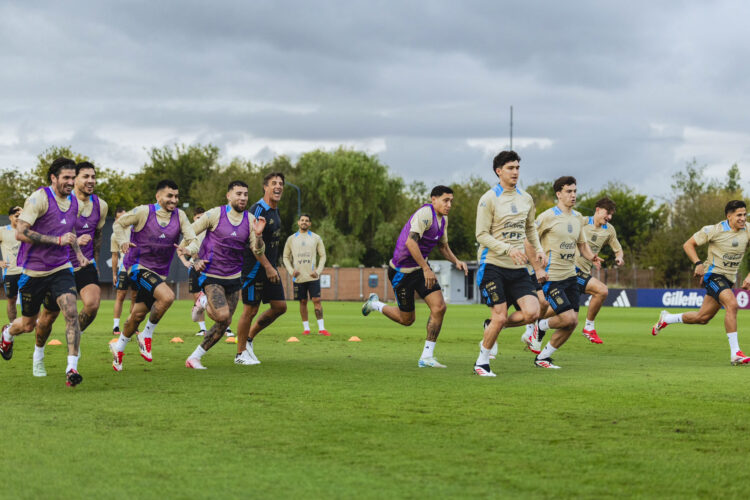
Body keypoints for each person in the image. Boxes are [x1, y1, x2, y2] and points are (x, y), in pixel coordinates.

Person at [0, 157, 89, 386]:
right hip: (33, 272)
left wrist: (78, 253)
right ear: (53, 178)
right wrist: (56, 240)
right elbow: (21, 232)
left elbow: (69, 233)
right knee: (28, 325)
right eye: (66, 178)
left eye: (73, 177)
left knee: (70, 312)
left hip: (61, 268)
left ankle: (71, 368)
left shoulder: (75, 203)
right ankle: (8, 332)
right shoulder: (39, 198)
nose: (71, 182)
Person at [362, 185, 468, 368]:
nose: (449, 204)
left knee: (439, 307)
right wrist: (426, 268)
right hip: (401, 273)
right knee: (407, 320)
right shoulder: (425, 214)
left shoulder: (443, 220)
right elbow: (411, 242)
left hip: (419, 270)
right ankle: (375, 304)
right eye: (445, 200)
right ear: (433, 199)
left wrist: (456, 261)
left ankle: (427, 357)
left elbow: (443, 246)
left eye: (451, 200)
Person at [109, 179, 198, 371]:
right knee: (168, 297)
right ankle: (146, 335)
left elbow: (193, 240)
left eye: (176, 196)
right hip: (137, 267)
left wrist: (188, 249)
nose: (173, 200)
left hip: (159, 273)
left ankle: (119, 348)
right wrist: (124, 241)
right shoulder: (143, 211)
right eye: (169, 196)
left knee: (137, 315)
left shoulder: (180, 216)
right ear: (158, 196)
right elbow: (118, 224)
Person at [471, 151, 545, 377]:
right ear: (499, 171)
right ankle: (482, 362)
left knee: (534, 312)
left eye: (517, 168)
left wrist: (539, 249)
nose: (515, 172)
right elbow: (481, 235)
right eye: (510, 168)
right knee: (501, 315)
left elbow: (530, 228)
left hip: (518, 268)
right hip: (492, 265)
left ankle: (491, 326)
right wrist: (508, 248)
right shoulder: (489, 199)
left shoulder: (526, 198)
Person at [652, 200, 750, 365]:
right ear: (729, 216)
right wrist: (698, 264)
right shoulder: (713, 230)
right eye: (739, 215)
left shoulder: (747, 229)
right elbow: (688, 244)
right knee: (732, 305)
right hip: (713, 275)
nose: (742, 218)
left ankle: (666, 319)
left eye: (744, 214)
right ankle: (736, 354)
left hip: (728, 280)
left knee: (702, 317)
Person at [185, 181, 266, 369]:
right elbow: (189, 232)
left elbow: (258, 251)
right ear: (228, 196)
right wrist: (193, 258)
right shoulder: (215, 214)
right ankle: (203, 302)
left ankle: (194, 357)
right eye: (238, 194)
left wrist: (259, 236)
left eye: (245, 194)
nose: (243, 198)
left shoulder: (250, 219)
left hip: (234, 277)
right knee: (222, 316)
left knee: (225, 322)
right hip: (211, 274)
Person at [530, 176, 600, 369]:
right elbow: (530, 239)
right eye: (569, 191)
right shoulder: (547, 217)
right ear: (558, 194)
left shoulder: (577, 218)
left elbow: (582, 245)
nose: (573, 195)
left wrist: (592, 257)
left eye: (575, 191)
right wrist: (537, 263)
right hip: (551, 278)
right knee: (567, 318)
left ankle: (543, 358)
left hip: (571, 277)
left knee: (572, 323)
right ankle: (540, 326)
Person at [236, 172, 287, 365]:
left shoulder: (276, 210)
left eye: (281, 183)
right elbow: (253, 244)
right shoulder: (258, 210)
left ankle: (248, 339)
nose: (278, 186)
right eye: (274, 183)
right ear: (265, 187)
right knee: (250, 310)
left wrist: (273, 265)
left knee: (279, 307)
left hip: (269, 267)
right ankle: (240, 354)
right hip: (255, 268)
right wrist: (267, 266)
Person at [575, 197, 624, 344]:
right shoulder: (581, 222)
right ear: (597, 210)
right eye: (607, 213)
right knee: (602, 290)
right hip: (570, 270)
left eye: (611, 214)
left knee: (566, 319)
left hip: (584, 272)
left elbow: (618, 249)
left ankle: (536, 326)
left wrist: (619, 258)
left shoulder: (609, 230)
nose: (609, 217)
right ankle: (589, 327)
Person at [283, 214, 329, 336]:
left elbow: (323, 256)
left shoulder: (316, 238)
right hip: (298, 277)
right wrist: (291, 270)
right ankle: (306, 329)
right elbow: (285, 257)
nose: (304, 222)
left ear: (310, 224)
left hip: (312, 276)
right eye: (302, 220)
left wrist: (318, 271)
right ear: (298, 223)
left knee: (317, 300)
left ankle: (321, 328)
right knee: (302, 302)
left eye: (307, 221)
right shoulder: (291, 239)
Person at [111, 207, 136, 335]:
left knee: (135, 297)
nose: (124, 219)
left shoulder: (136, 229)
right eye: (121, 217)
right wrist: (114, 274)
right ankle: (116, 326)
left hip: (137, 267)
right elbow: (114, 256)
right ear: (116, 219)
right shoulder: (115, 235)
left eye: (126, 216)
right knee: (120, 295)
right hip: (123, 267)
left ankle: (133, 325)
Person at [0, 206, 22, 323]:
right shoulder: (2, 231)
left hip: (28, 272)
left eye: (21, 216)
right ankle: (12, 326)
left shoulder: (28, 230)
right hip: (11, 272)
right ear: (10, 217)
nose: (19, 218)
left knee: (34, 299)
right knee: (12, 300)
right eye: (17, 216)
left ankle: (35, 324)